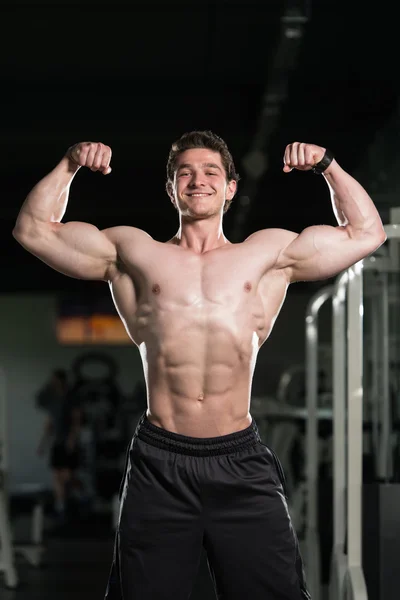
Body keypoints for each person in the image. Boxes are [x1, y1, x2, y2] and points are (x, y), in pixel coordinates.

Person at [14, 132, 385, 599]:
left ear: (231, 187)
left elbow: (366, 233)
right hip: (159, 463)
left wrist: (328, 165)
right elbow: (33, 230)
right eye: (185, 172)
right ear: (171, 188)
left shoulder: (267, 254)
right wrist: (69, 164)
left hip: (241, 462)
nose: (198, 180)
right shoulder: (135, 253)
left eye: (211, 171)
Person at [36, 368, 82, 523]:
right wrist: (42, 444)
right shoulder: (53, 401)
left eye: (55, 380)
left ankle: (78, 496)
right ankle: (61, 507)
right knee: (57, 476)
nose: (53, 383)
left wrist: (72, 440)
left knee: (68, 476)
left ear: (61, 381)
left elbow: (76, 421)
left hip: (68, 443)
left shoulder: (71, 398)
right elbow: (49, 424)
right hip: (56, 443)